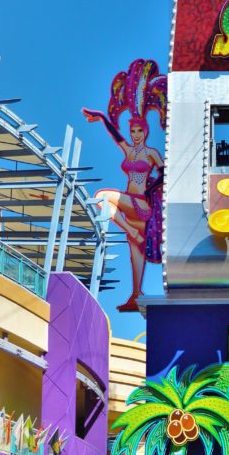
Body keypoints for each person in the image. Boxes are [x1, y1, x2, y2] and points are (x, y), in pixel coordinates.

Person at [82, 58, 166, 312]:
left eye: (139, 131)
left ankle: (131, 228)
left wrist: (150, 190)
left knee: (103, 195)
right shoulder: (128, 151)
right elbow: (115, 134)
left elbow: (164, 175)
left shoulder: (151, 153)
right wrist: (100, 118)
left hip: (141, 204)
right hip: (129, 205)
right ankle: (136, 295)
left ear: (145, 132)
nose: (135, 135)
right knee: (134, 252)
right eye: (133, 131)